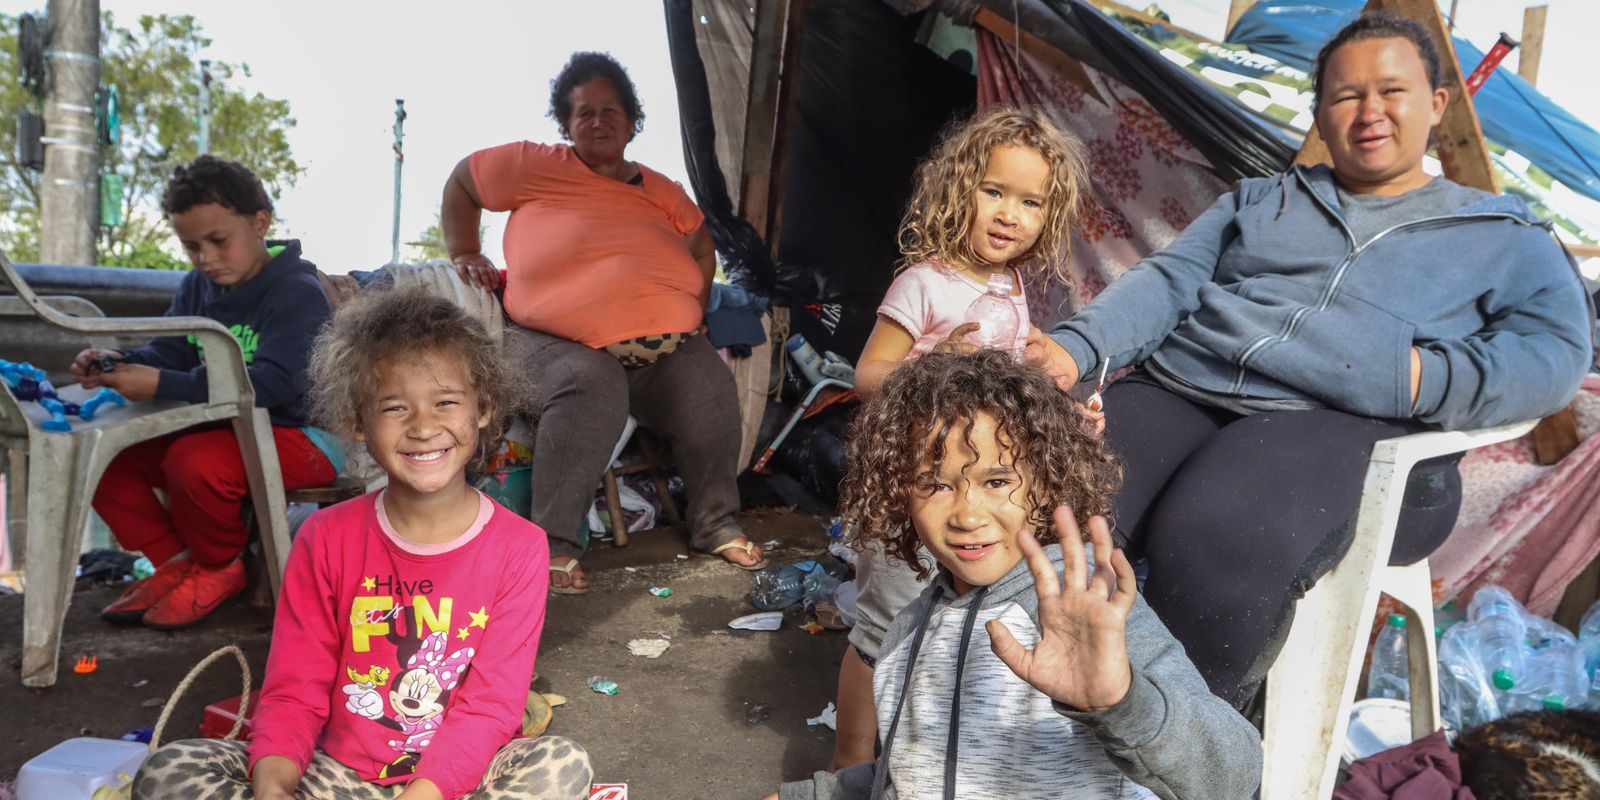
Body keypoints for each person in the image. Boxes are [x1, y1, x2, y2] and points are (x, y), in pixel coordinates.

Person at [1026, 11, 1595, 707]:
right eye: (1346, 94)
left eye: (1392, 91)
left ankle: (1177, 750)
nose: (1369, 111)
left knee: (1220, 529)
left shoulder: (1503, 235)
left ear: (1437, 104)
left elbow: (1556, 353)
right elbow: (1169, 283)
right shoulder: (1264, 200)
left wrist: (1420, 378)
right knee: (1052, 492)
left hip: (1350, 425)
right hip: (1186, 386)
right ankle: (1018, 721)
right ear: (1321, 110)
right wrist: (1074, 347)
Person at [134, 288, 593, 800]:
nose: (423, 426)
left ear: (483, 409)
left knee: (560, 765)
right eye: (394, 407)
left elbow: (490, 706)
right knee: (170, 770)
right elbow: (293, 689)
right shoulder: (325, 538)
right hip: (337, 774)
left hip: (454, 782)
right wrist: (275, 786)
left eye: (446, 402)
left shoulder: (520, 547)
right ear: (357, 423)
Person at [772, 351, 1261, 800]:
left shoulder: (1086, 606)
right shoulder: (910, 627)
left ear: (1048, 484)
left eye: (998, 481)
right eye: (935, 484)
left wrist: (1121, 703)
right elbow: (910, 774)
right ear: (900, 494)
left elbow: (1234, 777)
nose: (967, 513)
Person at [440, 51, 763, 594]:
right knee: (591, 381)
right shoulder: (537, 165)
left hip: (657, 348)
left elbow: (702, 251)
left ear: (633, 120)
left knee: (708, 387)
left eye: (610, 110)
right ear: (566, 125)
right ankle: (553, 547)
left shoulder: (662, 191)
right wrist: (464, 250)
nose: (598, 120)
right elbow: (463, 183)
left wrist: (694, 307)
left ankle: (714, 524)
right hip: (548, 342)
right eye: (583, 112)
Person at [833, 106, 1092, 769]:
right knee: (882, 626)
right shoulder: (924, 283)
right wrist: (931, 365)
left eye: (1031, 202)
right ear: (959, 191)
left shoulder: (1011, 288)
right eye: (995, 192)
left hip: (974, 493)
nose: (1011, 214)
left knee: (951, 616)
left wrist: (1057, 397)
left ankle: (921, 741)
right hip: (910, 486)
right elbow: (866, 376)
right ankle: (852, 760)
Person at [74, 155, 342, 630]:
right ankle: (175, 561)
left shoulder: (297, 292)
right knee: (103, 455)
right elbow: (171, 352)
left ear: (260, 223)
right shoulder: (198, 288)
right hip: (222, 433)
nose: (206, 259)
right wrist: (121, 364)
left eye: (219, 241)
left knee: (194, 460)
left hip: (305, 437)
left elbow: (276, 385)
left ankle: (221, 568)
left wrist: (161, 384)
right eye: (191, 246)